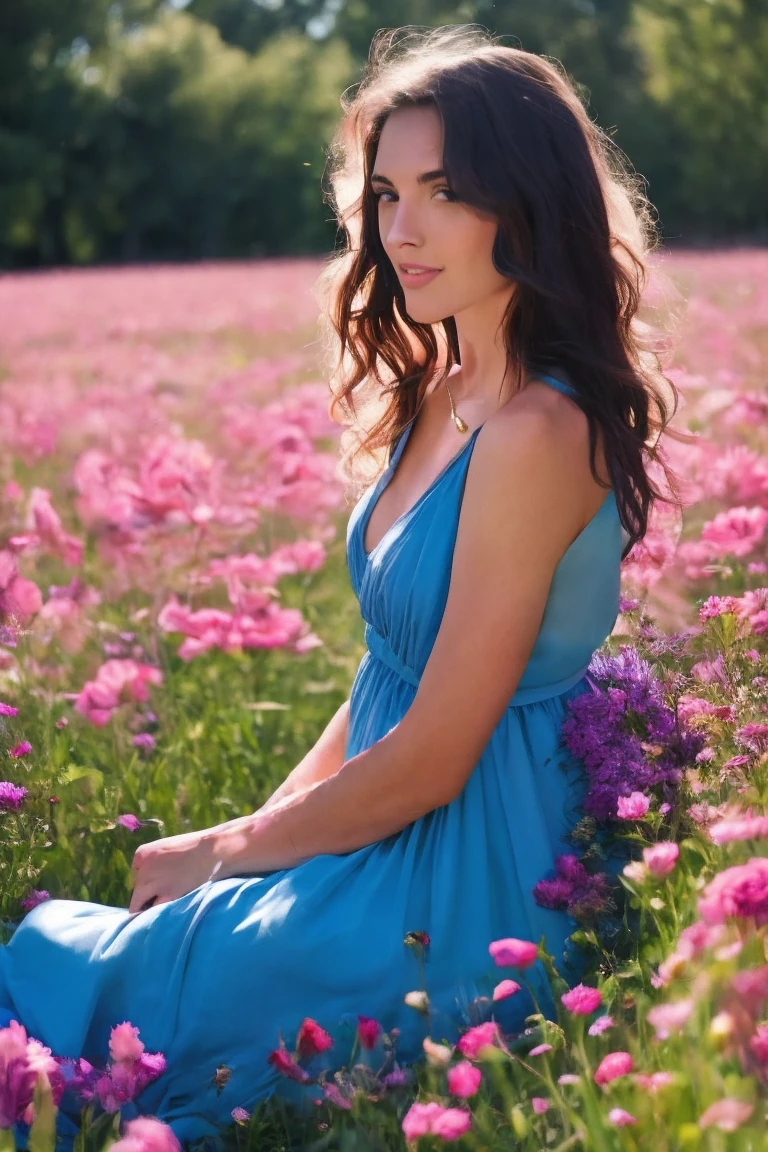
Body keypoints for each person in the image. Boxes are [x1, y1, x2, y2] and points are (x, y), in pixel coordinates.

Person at [0, 24, 685, 1150]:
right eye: (385, 194)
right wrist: (251, 829)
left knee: (138, 997)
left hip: (474, 873)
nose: (401, 231)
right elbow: (388, 679)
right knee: (113, 954)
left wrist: (227, 853)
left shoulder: (538, 431)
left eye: (442, 193)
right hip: (386, 818)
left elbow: (437, 749)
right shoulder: (441, 386)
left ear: (526, 202)